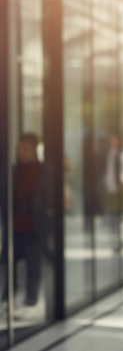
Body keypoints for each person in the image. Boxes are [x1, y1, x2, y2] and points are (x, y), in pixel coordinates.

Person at [1, 133, 52, 320]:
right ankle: (8, 299)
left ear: (34, 150)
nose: (21, 153)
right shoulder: (12, 171)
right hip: (14, 226)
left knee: (33, 265)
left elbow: (49, 199)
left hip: (34, 227)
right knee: (10, 263)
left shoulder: (44, 171)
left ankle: (30, 301)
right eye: (19, 149)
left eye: (26, 149)